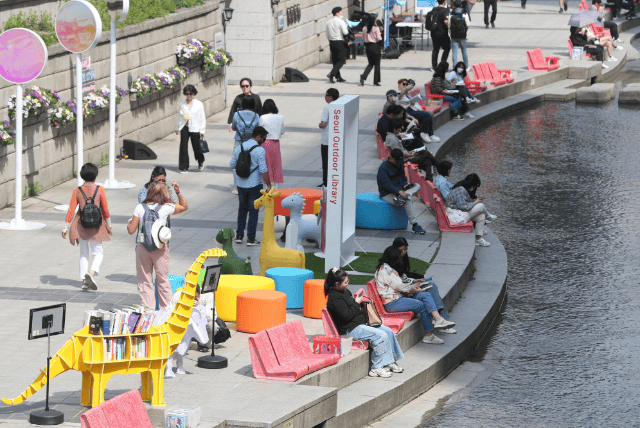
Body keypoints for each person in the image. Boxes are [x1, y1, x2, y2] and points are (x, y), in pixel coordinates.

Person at [325, 268, 405, 377]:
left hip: (359, 325)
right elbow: (346, 316)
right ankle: (376, 367)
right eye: (345, 282)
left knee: (388, 331)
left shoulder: (344, 291)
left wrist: (358, 302)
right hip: (350, 329)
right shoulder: (334, 298)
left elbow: (350, 307)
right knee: (380, 335)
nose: (347, 284)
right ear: (337, 284)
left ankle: (389, 361)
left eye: (348, 281)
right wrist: (356, 303)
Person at [375, 247, 455, 344]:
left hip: (399, 298)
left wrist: (414, 287)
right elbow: (401, 287)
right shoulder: (386, 271)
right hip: (393, 303)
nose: (400, 260)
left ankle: (438, 320)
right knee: (422, 305)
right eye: (399, 258)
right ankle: (428, 335)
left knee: (425, 295)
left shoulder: (388, 268)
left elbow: (401, 286)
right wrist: (415, 289)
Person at [127, 182, 188, 310]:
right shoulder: (165, 207)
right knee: (163, 280)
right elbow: (184, 206)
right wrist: (178, 192)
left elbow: (131, 230)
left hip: (143, 248)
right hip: (160, 248)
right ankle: (167, 311)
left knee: (145, 281)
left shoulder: (140, 207)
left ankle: (149, 312)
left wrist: (130, 222)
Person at [62, 163, 112, 291]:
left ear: (82, 175)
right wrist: (109, 225)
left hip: (81, 225)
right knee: (98, 253)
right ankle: (91, 272)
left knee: (83, 253)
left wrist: (66, 227)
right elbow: (105, 209)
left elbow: (71, 210)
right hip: (97, 226)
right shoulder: (99, 190)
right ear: (95, 176)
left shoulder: (77, 190)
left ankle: (85, 281)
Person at [392, 237, 456, 334]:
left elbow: (404, 276)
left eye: (405, 250)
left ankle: (441, 319)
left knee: (432, 285)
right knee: (427, 292)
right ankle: (439, 320)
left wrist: (415, 280)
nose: (404, 252)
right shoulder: (390, 265)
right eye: (402, 250)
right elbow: (398, 283)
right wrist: (412, 285)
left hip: (407, 286)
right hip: (403, 292)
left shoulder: (401, 259)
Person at [229, 126, 271, 246]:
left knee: (242, 209)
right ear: (258, 137)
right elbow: (263, 170)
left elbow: (232, 164)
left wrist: (242, 168)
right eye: (263, 138)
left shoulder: (239, 147)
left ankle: (239, 236)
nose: (264, 141)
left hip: (241, 185)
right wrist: (268, 185)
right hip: (255, 185)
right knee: (253, 211)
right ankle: (251, 239)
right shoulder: (260, 151)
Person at [377, 148, 428, 235]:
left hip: (401, 189)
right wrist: (399, 192)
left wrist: (405, 185)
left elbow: (403, 177)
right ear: (391, 158)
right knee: (407, 200)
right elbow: (387, 185)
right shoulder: (383, 168)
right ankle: (414, 225)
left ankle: (402, 198)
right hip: (388, 193)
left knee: (417, 186)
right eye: (397, 160)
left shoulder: (399, 164)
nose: (398, 163)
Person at [446, 173, 496, 247]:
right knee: (481, 206)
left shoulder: (462, 188)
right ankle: (488, 216)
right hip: (455, 216)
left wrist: (476, 200)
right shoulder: (460, 190)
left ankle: (478, 239)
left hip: (459, 214)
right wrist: (476, 202)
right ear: (472, 184)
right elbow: (463, 207)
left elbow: (465, 203)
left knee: (481, 216)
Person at [396, 79, 440, 143]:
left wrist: (413, 101)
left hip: (412, 109)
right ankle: (424, 133)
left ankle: (431, 134)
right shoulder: (397, 93)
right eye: (403, 84)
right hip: (406, 112)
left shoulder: (407, 93)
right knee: (426, 115)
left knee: (429, 114)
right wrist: (409, 86)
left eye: (406, 84)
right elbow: (401, 94)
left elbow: (409, 102)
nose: (405, 86)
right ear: (399, 85)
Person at [175, 84, 205, 173]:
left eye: (190, 94)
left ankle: (200, 160)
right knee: (183, 146)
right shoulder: (182, 105)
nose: (189, 96)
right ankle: (183, 167)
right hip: (184, 127)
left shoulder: (199, 104)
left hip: (195, 127)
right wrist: (177, 128)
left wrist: (202, 130)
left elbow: (202, 117)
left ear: (194, 93)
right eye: (187, 94)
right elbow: (179, 117)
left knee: (196, 146)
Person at [258, 99, 285, 187]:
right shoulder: (280, 117)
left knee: (265, 165)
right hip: (276, 143)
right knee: (276, 165)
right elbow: (282, 131)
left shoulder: (262, 117)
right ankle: (276, 187)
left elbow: (260, 130)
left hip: (265, 143)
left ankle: (266, 186)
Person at [318, 88, 339, 188]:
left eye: (326, 95)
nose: (325, 97)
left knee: (326, 161)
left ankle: (326, 182)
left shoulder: (327, 108)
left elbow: (323, 123)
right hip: (336, 139)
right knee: (334, 161)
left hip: (326, 140)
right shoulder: (339, 106)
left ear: (330, 97)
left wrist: (319, 125)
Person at [326, 6, 349, 83]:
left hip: (331, 42)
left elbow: (327, 33)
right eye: (341, 12)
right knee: (342, 60)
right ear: (337, 13)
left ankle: (338, 77)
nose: (342, 13)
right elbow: (345, 32)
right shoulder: (341, 22)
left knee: (335, 60)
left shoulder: (328, 22)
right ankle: (332, 74)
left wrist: (330, 39)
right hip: (339, 42)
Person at [360, 14, 382, 87]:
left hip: (368, 47)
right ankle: (376, 82)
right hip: (375, 46)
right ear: (374, 20)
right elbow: (379, 38)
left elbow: (363, 37)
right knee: (377, 64)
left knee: (370, 63)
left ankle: (363, 76)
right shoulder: (376, 28)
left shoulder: (364, 28)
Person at [448, 1, 471, 69]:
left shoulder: (451, 14)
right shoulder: (464, 14)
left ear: (453, 6)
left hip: (454, 35)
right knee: (464, 51)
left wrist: (450, 32)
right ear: (461, 6)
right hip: (462, 35)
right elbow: (468, 25)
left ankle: (455, 67)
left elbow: (449, 26)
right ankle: (466, 66)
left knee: (454, 52)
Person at [431, 0, 451, 72]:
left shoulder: (434, 9)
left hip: (434, 32)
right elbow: (446, 21)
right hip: (442, 32)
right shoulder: (445, 10)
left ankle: (434, 66)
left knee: (435, 49)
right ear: (444, 1)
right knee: (447, 48)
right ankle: (442, 63)